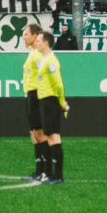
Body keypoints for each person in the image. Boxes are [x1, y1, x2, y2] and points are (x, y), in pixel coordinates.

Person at [36, 31, 70, 184]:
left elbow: (59, 84)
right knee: (49, 135)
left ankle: (58, 175)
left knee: (54, 136)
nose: (37, 43)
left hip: (51, 101)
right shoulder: (45, 59)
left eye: (39, 40)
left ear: (46, 43)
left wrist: (62, 102)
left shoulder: (51, 61)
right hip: (45, 100)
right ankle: (53, 174)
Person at [20, 24, 48, 181]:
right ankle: (39, 170)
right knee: (34, 133)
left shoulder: (38, 54)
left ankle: (45, 171)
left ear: (35, 36)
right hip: (30, 93)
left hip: (37, 94)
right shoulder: (33, 53)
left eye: (26, 34)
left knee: (40, 133)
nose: (23, 37)